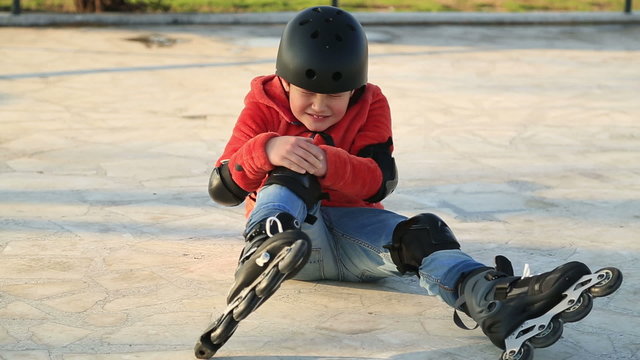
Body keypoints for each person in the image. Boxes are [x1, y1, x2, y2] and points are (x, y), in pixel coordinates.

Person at [195, 6, 622, 360]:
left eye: (335, 96)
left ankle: (495, 301)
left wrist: (330, 163)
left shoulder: (373, 104)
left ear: (356, 88)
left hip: (356, 238)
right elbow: (223, 186)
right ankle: (264, 247)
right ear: (284, 81)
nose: (320, 106)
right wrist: (266, 149)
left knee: (423, 233)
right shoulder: (262, 103)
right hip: (297, 243)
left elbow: (378, 183)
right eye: (306, 92)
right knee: (292, 169)